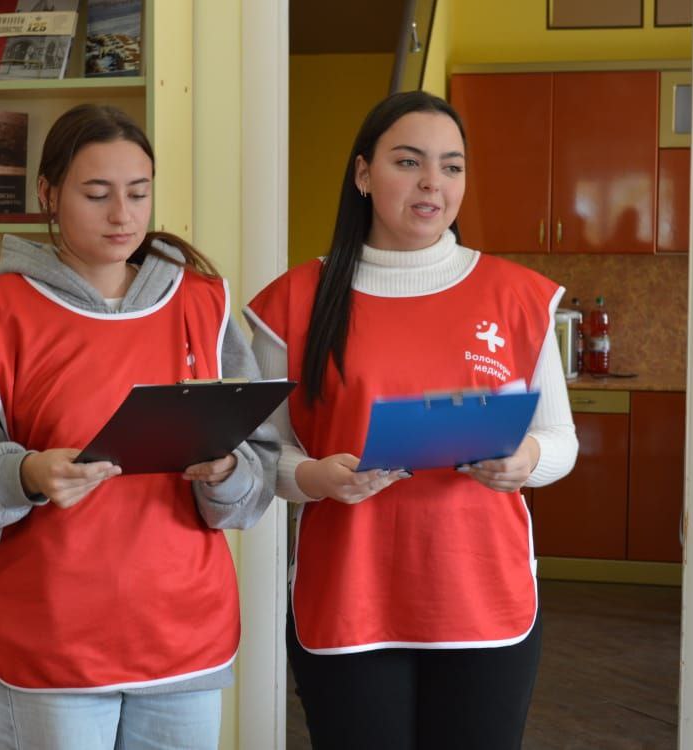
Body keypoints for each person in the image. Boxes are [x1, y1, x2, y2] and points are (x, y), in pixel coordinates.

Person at [0, 103, 278, 750]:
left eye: (139, 193)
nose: (122, 215)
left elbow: (260, 464)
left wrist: (227, 471)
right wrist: (25, 473)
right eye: (97, 194)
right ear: (48, 194)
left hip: (183, 638)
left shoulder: (203, 305)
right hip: (47, 644)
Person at [245, 90, 578, 749]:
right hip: (348, 597)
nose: (433, 183)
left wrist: (526, 461)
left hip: (483, 598)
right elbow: (260, 453)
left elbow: (559, 439)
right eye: (408, 162)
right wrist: (315, 477)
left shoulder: (518, 298)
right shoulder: (293, 302)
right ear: (363, 174)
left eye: (452, 167)